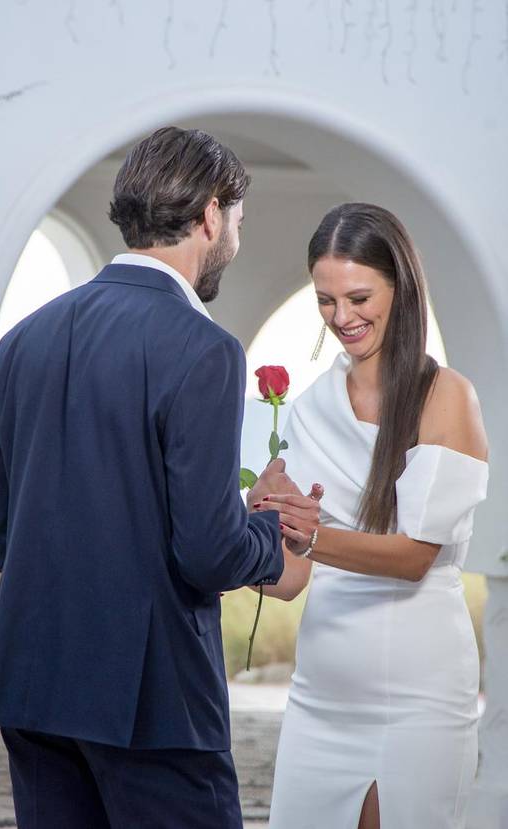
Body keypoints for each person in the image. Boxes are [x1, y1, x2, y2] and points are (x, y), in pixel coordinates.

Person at [0, 126, 321, 829]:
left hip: (30, 682)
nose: (236, 241)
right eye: (238, 223)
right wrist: (268, 529)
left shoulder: (21, 342)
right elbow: (208, 552)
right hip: (150, 698)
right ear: (211, 215)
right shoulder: (203, 348)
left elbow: (6, 539)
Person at [253, 203, 489, 829]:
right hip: (321, 699)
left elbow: (416, 557)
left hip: (421, 697)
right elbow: (289, 580)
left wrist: (310, 537)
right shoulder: (308, 410)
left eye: (359, 297)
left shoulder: (446, 397)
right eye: (326, 301)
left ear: (401, 288)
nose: (342, 318)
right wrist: (255, 533)